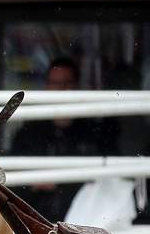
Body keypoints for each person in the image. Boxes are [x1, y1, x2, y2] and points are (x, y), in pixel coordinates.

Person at [10, 57, 120, 220]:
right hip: (38, 224)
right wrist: (34, 183)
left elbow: (108, 178)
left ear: (76, 87)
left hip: (85, 223)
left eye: (66, 83)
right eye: (55, 84)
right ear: (47, 87)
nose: (61, 89)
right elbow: (11, 182)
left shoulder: (92, 132)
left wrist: (66, 180)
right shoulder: (29, 133)